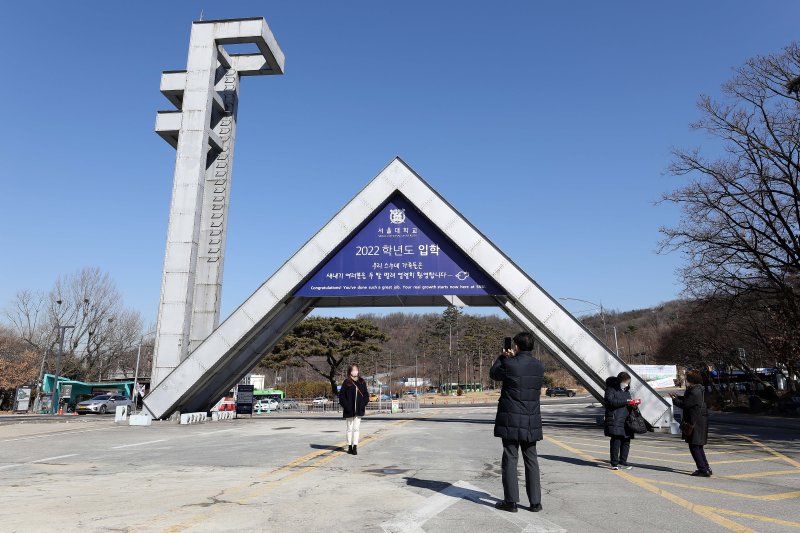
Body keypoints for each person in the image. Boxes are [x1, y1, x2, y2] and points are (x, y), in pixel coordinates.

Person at [490, 332, 545, 513]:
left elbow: (494, 374)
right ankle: (535, 502)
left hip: (511, 418)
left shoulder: (509, 363)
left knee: (510, 459)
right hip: (531, 419)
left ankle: (511, 501)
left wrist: (502, 357)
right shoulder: (539, 366)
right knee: (531, 459)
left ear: (517, 346)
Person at [670, 371, 712, 476]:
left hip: (695, 421)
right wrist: (678, 397)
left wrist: (675, 400)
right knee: (698, 445)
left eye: (687, 379)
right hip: (699, 420)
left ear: (691, 380)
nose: (686, 381)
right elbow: (688, 400)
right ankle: (706, 467)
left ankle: (703, 469)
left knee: (694, 446)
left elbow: (686, 404)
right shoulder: (698, 389)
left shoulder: (694, 391)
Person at [604, 372, 639, 470]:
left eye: (628, 382)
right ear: (620, 381)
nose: (627, 384)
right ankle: (614, 463)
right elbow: (610, 401)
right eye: (625, 382)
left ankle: (623, 461)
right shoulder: (610, 389)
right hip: (616, 418)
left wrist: (633, 404)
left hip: (626, 419)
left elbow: (628, 402)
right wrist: (626, 402)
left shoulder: (626, 391)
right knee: (616, 440)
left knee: (626, 441)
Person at [338, 364, 369, 455]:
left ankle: (355, 446)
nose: (355, 372)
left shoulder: (362, 382)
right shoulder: (346, 382)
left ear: (358, 371)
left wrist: (363, 404)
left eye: (356, 370)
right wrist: (346, 406)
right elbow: (341, 396)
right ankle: (349, 446)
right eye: (353, 370)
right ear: (350, 372)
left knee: (356, 429)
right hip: (349, 410)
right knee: (349, 429)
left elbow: (366, 395)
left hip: (359, 410)